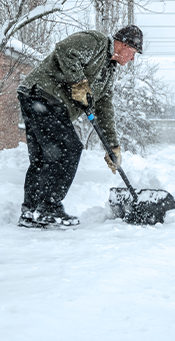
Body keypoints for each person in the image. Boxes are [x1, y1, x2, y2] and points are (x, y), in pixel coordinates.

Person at [15, 25, 143, 228]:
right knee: (69, 148)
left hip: (40, 99)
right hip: (43, 95)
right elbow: (65, 50)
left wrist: (112, 146)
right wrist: (79, 84)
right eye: (133, 53)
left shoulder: (109, 73)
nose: (133, 59)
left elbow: (104, 108)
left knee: (43, 157)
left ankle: (31, 210)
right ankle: (48, 207)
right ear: (124, 44)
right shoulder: (96, 42)